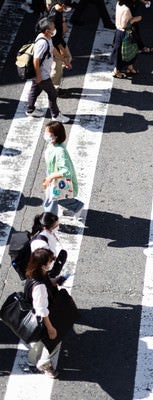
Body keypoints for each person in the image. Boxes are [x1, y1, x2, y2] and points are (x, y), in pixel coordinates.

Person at [25, 18, 70, 123]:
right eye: (53, 27)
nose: (55, 29)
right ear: (47, 30)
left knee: (35, 90)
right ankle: (56, 114)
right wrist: (39, 76)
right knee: (52, 93)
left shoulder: (47, 38)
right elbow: (36, 60)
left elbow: (53, 49)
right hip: (42, 74)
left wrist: (64, 61)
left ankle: (30, 110)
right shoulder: (42, 43)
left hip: (42, 73)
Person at [25, 248, 60, 378]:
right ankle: (45, 365)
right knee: (54, 339)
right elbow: (42, 310)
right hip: (41, 319)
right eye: (50, 262)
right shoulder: (39, 287)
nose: (51, 264)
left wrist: (56, 281)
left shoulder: (32, 274)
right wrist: (51, 328)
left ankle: (32, 361)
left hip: (33, 318)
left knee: (36, 341)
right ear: (43, 265)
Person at [42, 121, 84, 217]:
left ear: (55, 136)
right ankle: (76, 206)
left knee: (51, 200)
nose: (45, 134)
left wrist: (50, 177)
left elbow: (66, 171)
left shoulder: (59, 151)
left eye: (48, 133)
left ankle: (49, 222)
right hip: (55, 178)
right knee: (60, 197)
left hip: (56, 178)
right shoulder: (52, 144)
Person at [31, 212, 68, 280]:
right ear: (45, 228)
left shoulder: (46, 231)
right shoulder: (41, 245)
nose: (58, 227)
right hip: (46, 269)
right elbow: (45, 263)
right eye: (55, 226)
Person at [110, 0, 142, 79]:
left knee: (125, 50)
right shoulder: (126, 9)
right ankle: (116, 71)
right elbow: (124, 25)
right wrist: (134, 19)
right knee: (124, 52)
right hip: (124, 33)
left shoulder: (119, 4)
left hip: (118, 31)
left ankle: (130, 67)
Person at [48, 0, 73, 97]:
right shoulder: (54, 17)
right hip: (55, 45)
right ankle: (54, 88)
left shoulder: (56, 7)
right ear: (62, 5)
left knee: (68, 58)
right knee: (56, 68)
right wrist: (62, 51)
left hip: (59, 41)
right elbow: (54, 39)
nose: (69, 8)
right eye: (67, 6)